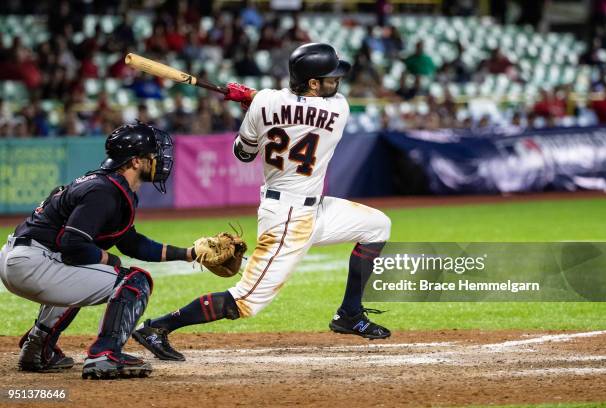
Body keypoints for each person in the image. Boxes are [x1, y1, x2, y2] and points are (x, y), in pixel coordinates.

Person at [133, 43, 392, 362]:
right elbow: (295, 109)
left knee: (378, 226)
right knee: (246, 301)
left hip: (311, 209)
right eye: (330, 77)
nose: (336, 82)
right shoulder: (338, 108)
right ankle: (157, 327)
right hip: (288, 220)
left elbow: (243, 154)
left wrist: (254, 105)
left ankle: (349, 315)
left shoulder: (265, 102)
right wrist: (254, 100)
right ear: (313, 84)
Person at [0, 123, 198, 379]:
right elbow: (73, 244)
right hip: (32, 263)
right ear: (136, 162)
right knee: (135, 282)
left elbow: (132, 243)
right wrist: (109, 259)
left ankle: (38, 349)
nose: (160, 161)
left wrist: (189, 254)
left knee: (83, 270)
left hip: (22, 258)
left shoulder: (108, 186)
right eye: (153, 156)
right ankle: (105, 355)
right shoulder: (104, 191)